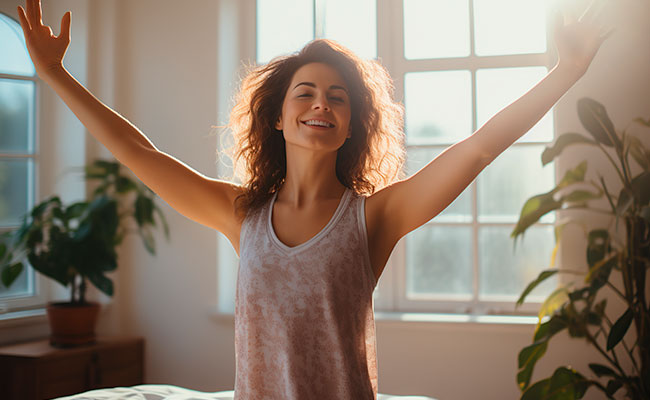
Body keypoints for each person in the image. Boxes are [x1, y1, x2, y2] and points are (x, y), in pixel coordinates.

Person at [16, 0, 615, 398]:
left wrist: (564, 72)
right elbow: (140, 154)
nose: (321, 104)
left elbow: (479, 149)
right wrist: (54, 73)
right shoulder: (240, 214)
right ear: (277, 117)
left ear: (352, 124)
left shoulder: (375, 216)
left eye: (338, 97)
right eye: (305, 93)